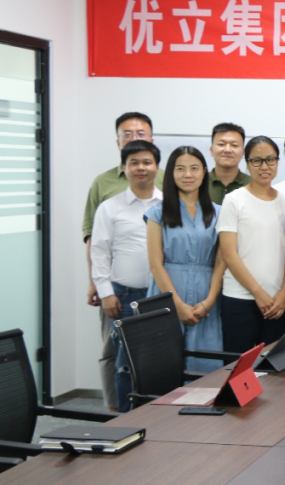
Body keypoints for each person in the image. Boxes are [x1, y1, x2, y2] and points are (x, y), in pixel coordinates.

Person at [83, 112, 163, 410]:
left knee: (159, 360)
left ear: (156, 166)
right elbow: (99, 251)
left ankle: (155, 418)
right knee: (124, 362)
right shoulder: (109, 207)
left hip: (159, 295)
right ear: (124, 168)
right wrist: (105, 292)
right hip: (124, 295)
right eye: (134, 163)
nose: (141, 168)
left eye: (147, 162)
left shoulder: (169, 204)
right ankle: (125, 418)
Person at [145, 146, 226, 372]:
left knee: (204, 366)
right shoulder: (157, 213)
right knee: (162, 366)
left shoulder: (219, 213)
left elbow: (221, 262)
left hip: (205, 294)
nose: (187, 174)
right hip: (166, 292)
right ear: (171, 173)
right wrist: (177, 305)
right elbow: (155, 264)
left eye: (194, 168)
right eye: (180, 169)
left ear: (204, 172)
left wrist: (209, 300)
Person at [218, 137, 285, 352]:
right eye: (257, 161)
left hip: (277, 301)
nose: (264, 166)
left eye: (270, 160)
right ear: (247, 163)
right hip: (240, 298)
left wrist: (284, 292)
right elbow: (229, 254)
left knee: (272, 365)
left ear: (278, 161)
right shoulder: (234, 200)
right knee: (236, 365)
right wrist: (258, 293)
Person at [207, 122, 250, 205]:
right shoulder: (199, 183)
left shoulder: (253, 185)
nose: (227, 150)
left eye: (234, 145)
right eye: (221, 144)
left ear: (243, 153)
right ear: (211, 150)